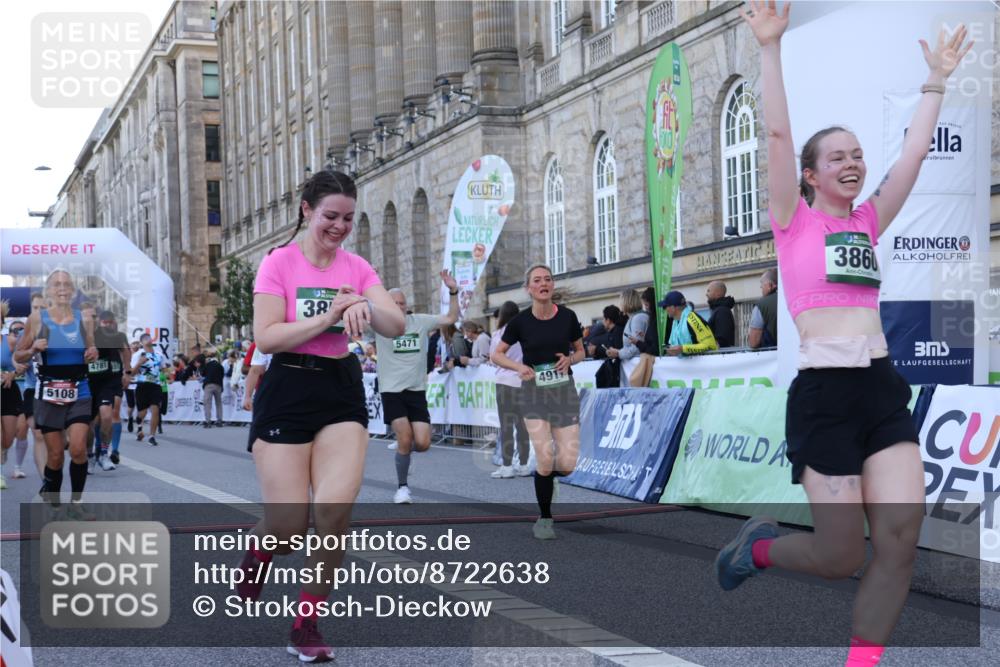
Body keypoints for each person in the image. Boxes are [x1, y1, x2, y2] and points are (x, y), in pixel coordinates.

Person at [715, 6, 971, 667]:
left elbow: (914, 152)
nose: (854, 164)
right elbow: (775, 133)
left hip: (881, 391)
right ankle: (758, 548)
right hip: (825, 395)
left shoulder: (869, 219)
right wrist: (769, 48)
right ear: (810, 174)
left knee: (900, 541)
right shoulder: (791, 221)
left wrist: (936, 81)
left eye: (858, 155)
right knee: (840, 555)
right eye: (839, 157)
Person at [235, 170, 404, 662]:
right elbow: (266, 337)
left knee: (333, 511)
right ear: (307, 210)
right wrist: (330, 316)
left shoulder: (356, 266)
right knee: (289, 527)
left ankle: (306, 623)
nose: (339, 226)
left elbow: (395, 324)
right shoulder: (277, 264)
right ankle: (262, 549)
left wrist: (364, 304)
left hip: (340, 389)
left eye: (348, 218)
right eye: (331, 216)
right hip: (286, 387)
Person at [492, 264, 585, 540]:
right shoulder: (520, 322)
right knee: (544, 458)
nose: (543, 283)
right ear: (528, 288)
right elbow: (497, 355)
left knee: (566, 464)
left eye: (547, 279)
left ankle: (548, 479)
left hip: (563, 392)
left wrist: (570, 359)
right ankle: (544, 518)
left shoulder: (568, 317)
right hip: (533, 393)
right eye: (537, 280)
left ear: (552, 285)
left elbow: (580, 350)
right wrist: (517, 367)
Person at [14, 270, 99, 513]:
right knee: (55, 456)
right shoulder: (37, 319)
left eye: (66, 284)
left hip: (79, 389)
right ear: (50, 290)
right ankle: (51, 492)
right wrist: (32, 349)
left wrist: (92, 352)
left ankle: (76, 503)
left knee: (78, 448)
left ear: (72, 290)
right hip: (49, 392)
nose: (62, 288)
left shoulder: (85, 319)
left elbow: (91, 346)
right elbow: (17, 355)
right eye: (56, 284)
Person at [376, 275, 459, 503]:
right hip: (391, 390)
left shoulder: (420, 322)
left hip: (416, 391)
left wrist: (453, 292)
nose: (399, 307)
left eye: (402, 303)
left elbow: (452, 317)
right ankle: (402, 488)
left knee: (422, 443)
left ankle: (404, 457)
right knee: (404, 437)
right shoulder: (379, 324)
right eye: (394, 303)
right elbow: (356, 317)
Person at [489, 301, 531, 479]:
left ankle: (506, 466)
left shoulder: (498, 334)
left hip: (504, 382)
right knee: (522, 426)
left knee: (506, 425)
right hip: (522, 380)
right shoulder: (525, 331)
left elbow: (493, 359)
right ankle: (523, 465)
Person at [87, 310, 130, 470]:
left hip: (109, 381)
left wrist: (127, 371)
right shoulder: (90, 335)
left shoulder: (118, 336)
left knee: (107, 416)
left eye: (110, 322)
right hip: (90, 381)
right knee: (90, 422)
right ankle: (89, 455)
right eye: (105, 322)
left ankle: (105, 453)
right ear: (99, 322)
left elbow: (126, 352)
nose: (108, 325)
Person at [1, 302, 27, 490]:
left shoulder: (9, 341)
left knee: (9, 437)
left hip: (9, 390)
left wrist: (12, 373)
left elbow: (23, 364)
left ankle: (3, 454)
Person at [130, 333, 168, 446]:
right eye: (144, 339)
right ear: (141, 343)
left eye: (149, 338)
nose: (148, 340)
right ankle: (139, 426)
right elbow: (132, 372)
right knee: (142, 412)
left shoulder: (159, 354)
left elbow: (164, 369)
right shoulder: (137, 355)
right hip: (142, 385)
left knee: (155, 409)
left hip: (156, 386)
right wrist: (140, 363)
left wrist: (167, 375)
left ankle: (152, 436)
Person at [659, 291, 718, 356]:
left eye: (665, 307)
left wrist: (683, 348)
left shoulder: (692, 318)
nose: (664, 310)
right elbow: (674, 345)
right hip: (687, 364)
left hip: (701, 364)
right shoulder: (675, 321)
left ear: (673, 308)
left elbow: (710, 344)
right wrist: (667, 348)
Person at [606, 289, 648, 364]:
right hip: (636, 364)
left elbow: (636, 348)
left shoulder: (638, 318)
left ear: (627, 302)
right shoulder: (634, 317)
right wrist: (618, 352)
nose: (620, 304)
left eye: (621, 301)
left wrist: (618, 353)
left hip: (639, 365)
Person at [748, 268, 779, 348]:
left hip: (773, 355)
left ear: (770, 285)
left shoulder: (761, 305)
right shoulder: (793, 299)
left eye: (762, 283)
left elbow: (754, 342)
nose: (761, 287)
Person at [706, 280, 737, 348]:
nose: (706, 294)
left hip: (721, 356)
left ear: (718, 293)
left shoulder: (722, 311)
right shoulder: (718, 310)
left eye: (708, 291)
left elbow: (722, 340)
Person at [201, 346, 225, 428]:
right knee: (218, 403)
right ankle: (219, 420)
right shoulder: (220, 366)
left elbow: (203, 373)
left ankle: (208, 421)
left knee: (207, 403)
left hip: (209, 385)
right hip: (218, 385)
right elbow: (222, 376)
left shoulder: (208, 364)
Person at [125, 340, 140, 432]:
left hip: (138, 384)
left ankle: (139, 425)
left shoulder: (141, 357)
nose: (135, 345)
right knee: (131, 406)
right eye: (133, 344)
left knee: (139, 405)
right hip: (130, 384)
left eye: (137, 344)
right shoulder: (127, 357)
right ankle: (130, 418)